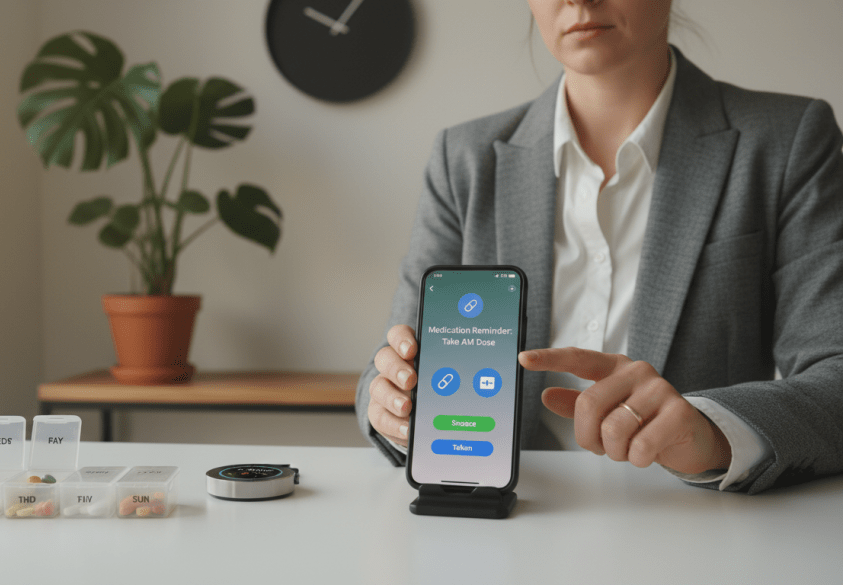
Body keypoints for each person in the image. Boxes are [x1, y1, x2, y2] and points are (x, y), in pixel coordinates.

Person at [356, 0, 843, 494]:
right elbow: (391, 363)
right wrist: (394, 405)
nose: (579, 0)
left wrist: (712, 431)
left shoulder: (786, 142)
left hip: (691, 528)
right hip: (502, 525)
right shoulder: (463, 159)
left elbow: (838, 374)